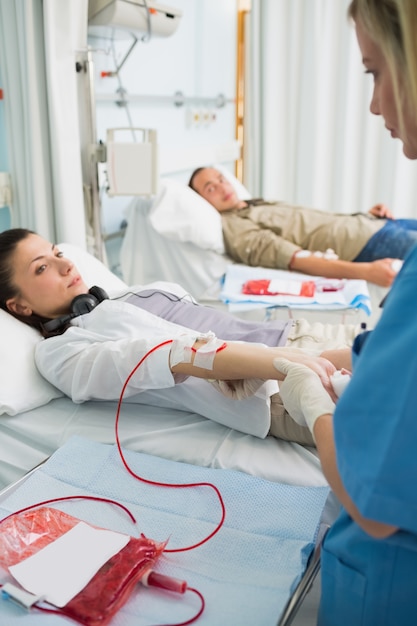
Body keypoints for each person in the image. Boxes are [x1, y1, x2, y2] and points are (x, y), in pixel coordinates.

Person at [274, 1, 417, 622]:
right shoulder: (246, 225)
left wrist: (313, 401)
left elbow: (373, 497)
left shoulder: (263, 197)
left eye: (374, 72)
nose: (374, 103)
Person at [0, 228, 358, 446]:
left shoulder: (123, 297)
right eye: (42, 267)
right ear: (20, 306)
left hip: (297, 335)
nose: (67, 265)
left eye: (57, 253)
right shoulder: (62, 352)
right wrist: (283, 362)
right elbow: (169, 355)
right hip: (274, 388)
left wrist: (303, 349)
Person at [189, 165, 417, 287]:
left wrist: (366, 216)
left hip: (373, 224)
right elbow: (297, 259)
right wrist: (367, 272)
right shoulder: (235, 226)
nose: (222, 187)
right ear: (202, 202)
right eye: (211, 188)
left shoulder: (250, 205)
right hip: (366, 245)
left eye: (221, 178)